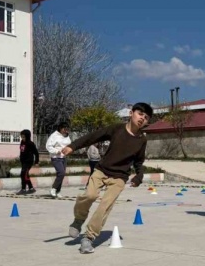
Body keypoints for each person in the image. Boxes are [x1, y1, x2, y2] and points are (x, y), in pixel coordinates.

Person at [62, 102, 153, 254]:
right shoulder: (116, 129)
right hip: (102, 170)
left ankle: (89, 237)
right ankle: (78, 220)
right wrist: (73, 146)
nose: (142, 119)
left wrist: (139, 176)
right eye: (140, 114)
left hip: (119, 177)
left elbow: (138, 161)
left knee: (105, 205)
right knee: (89, 196)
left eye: (146, 117)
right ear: (131, 113)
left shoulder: (142, 140)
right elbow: (93, 137)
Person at [45, 123, 71, 198]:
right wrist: (56, 151)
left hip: (64, 157)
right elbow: (48, 146)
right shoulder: (54, 136)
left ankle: (58, 191)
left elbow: (69, 144)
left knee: (61, 175)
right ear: (60, 128)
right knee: (61, 173)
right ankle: (53, 188)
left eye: (67, 129)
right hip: (56, 157)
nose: (65, 131)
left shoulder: (66, 136)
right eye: (64, 129)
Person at [17, 129, 39, 195]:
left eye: (24, 137)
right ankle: (31, 188)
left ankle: (23, 189)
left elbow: (36, 153)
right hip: (23, 161)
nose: (22, 138)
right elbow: (22, 151)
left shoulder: (30, 143)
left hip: (28, 161)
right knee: (25, 175)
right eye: (22, 137)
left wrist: (36, 162)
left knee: (23, 174)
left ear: (27, 136)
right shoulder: (22, 142)